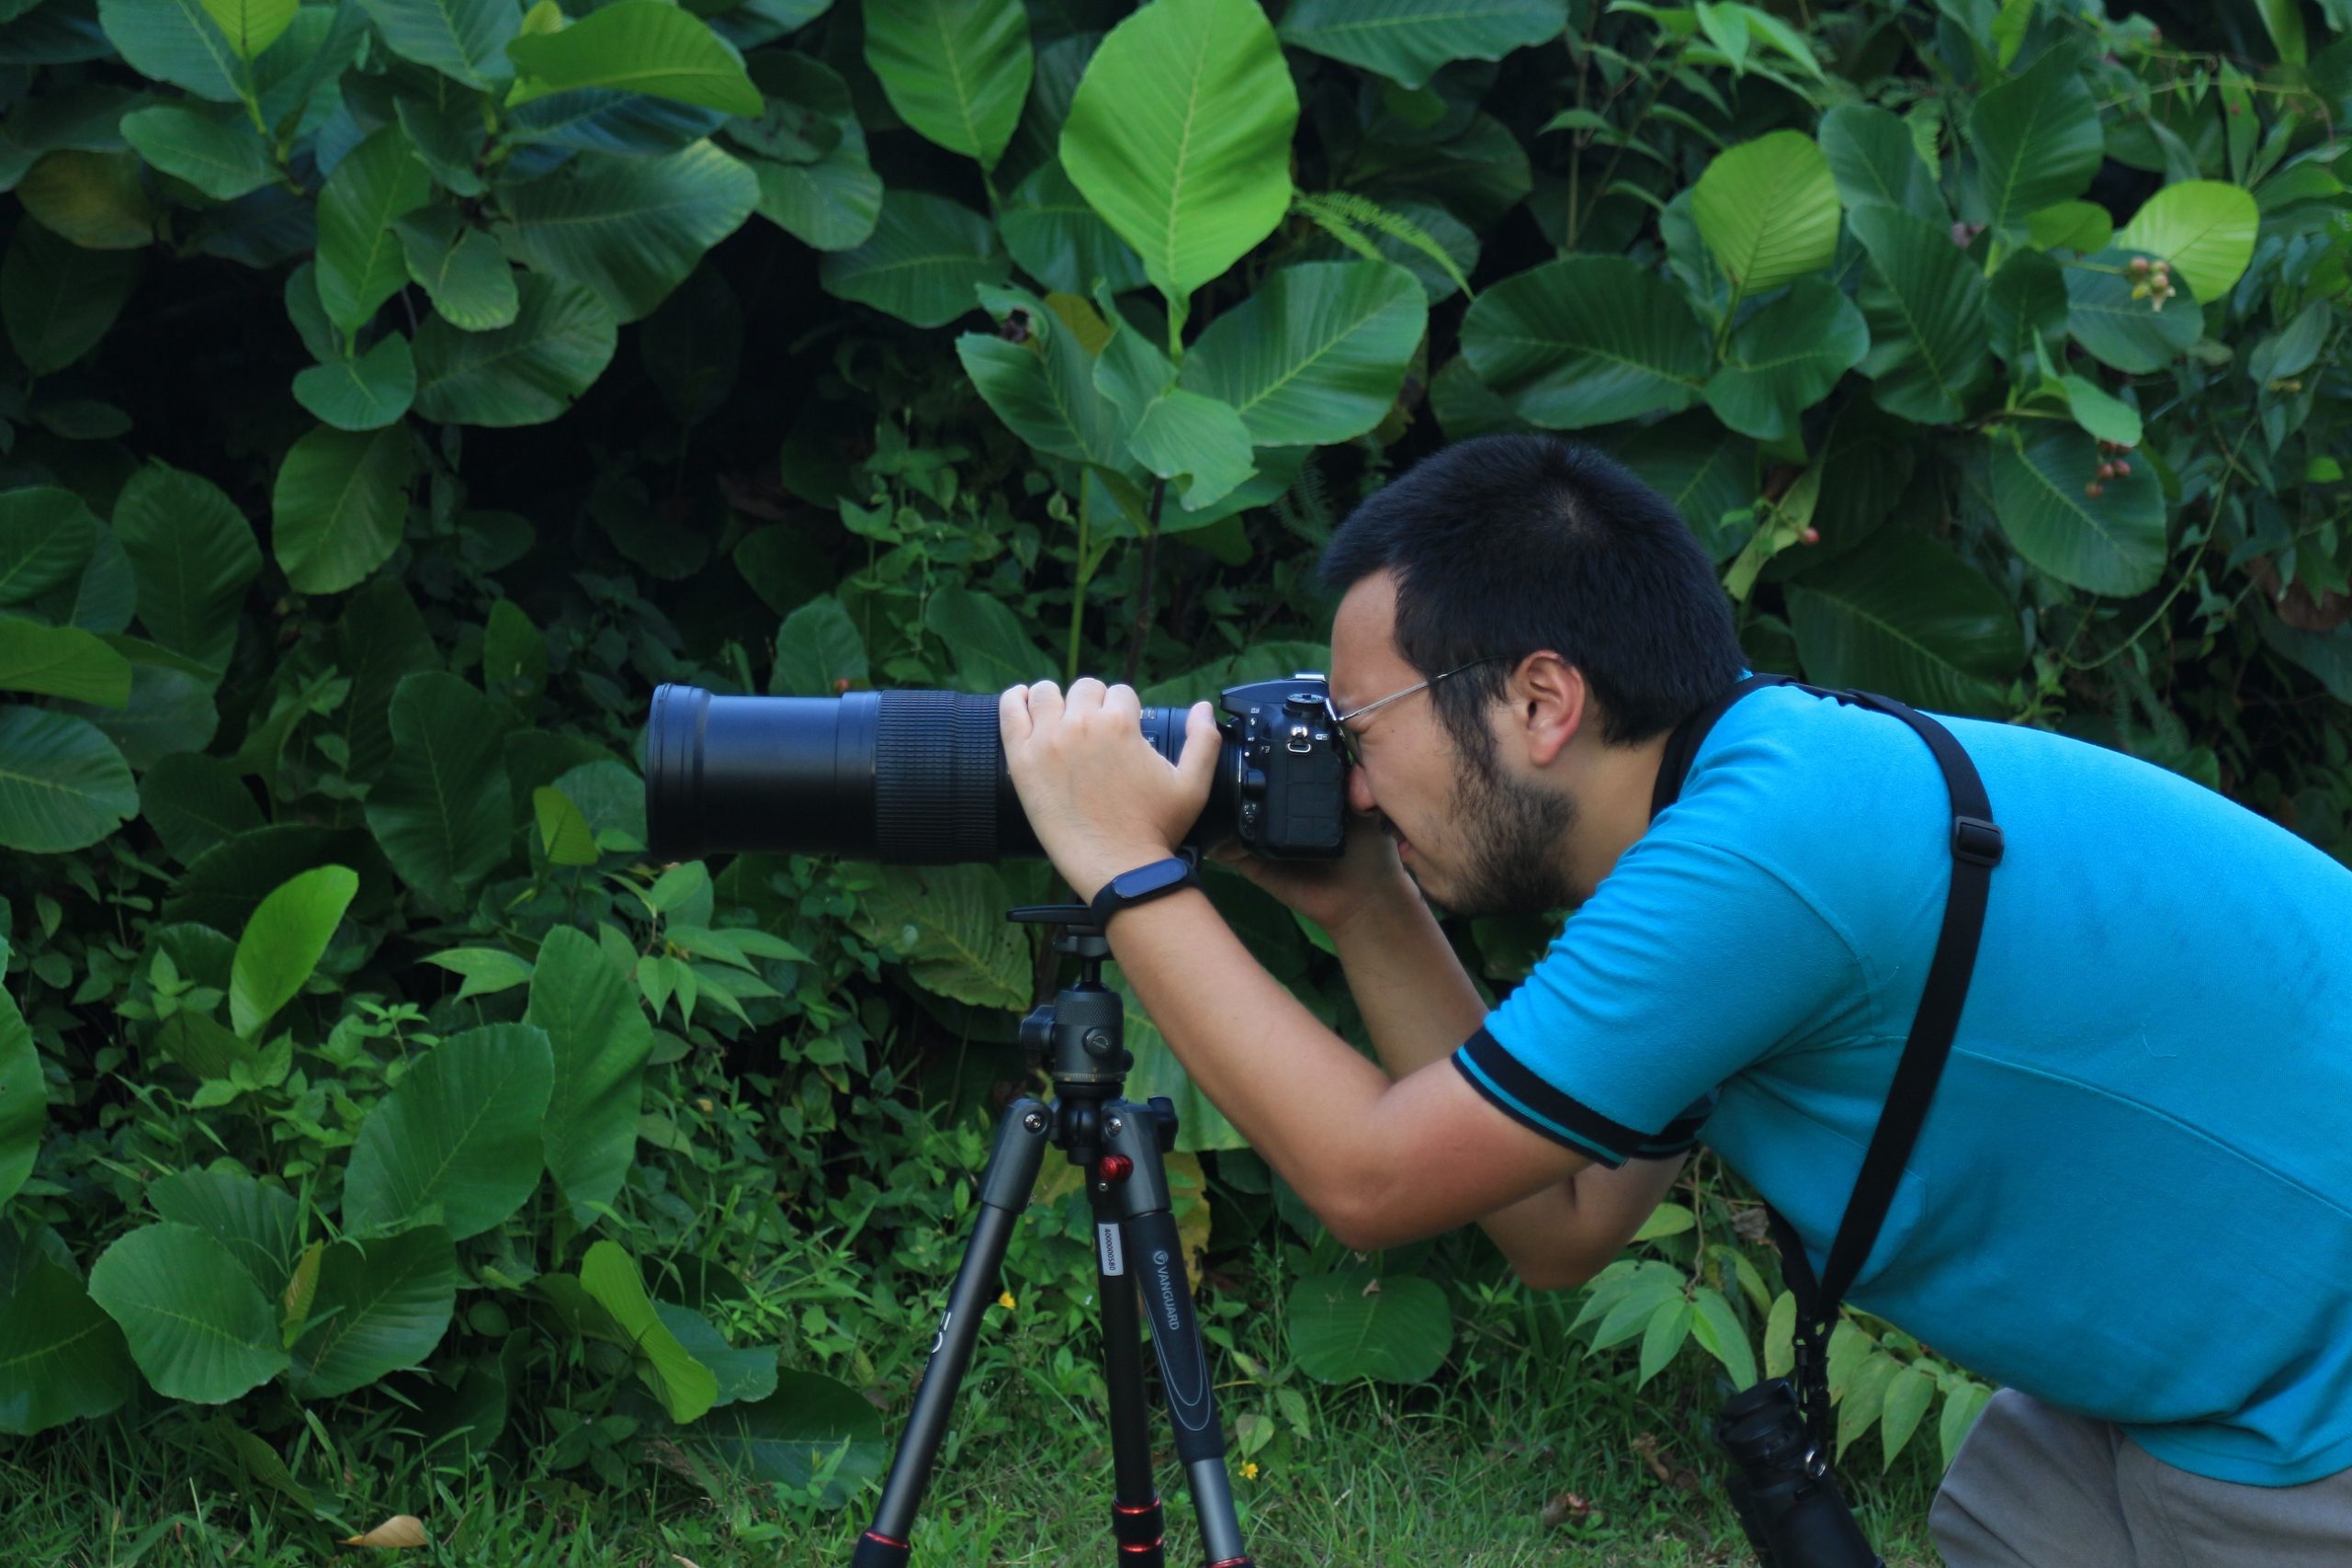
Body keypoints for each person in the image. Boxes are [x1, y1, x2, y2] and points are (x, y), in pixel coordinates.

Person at [996, 434, 2352, 1565]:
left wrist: (1122, 861)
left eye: (1364, 733)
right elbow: (1558, 1224)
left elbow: (1369, 1180)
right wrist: (1366, 902)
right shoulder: (1748, 803)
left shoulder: (1764, 861)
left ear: (1542, 700)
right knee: (2010, 1510)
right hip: (2203, 1370)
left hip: (2305, 1411)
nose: (1349, 783)